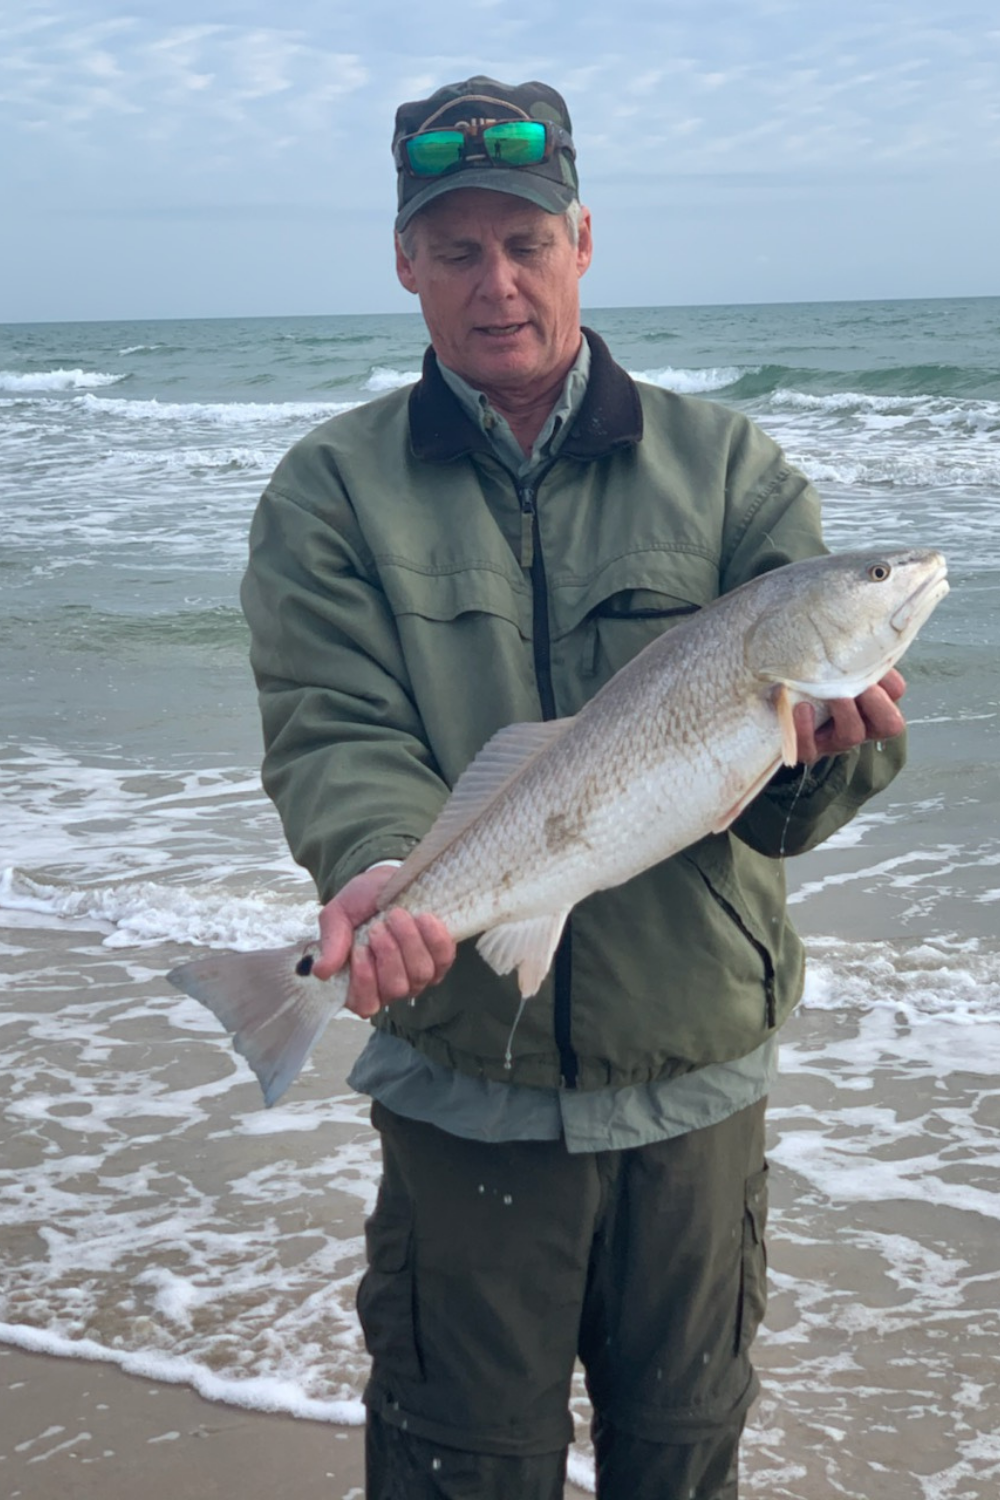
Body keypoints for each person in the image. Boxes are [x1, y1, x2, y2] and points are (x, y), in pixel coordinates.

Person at [241, 76, 907, 1500]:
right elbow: (331, 725)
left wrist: (840, 749)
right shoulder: (330, 494)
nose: (497, 284)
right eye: (459, 248)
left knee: (679, 1468)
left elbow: (782, 796)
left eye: (526, 243)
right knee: (464, 1474)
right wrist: (376, 859)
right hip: (462, 1086)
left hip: (693, 1086)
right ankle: (277, 1001)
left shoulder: (731, 472)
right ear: (405, 263)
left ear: (584, 242)